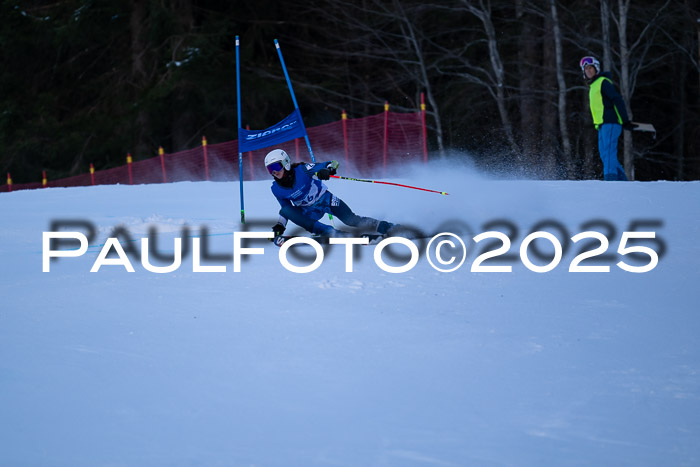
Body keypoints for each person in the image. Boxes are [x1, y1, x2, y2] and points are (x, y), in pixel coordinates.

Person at [264, 149, 395, 245]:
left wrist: (328, 170)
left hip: (325, 200)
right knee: (285, 210)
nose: (274, 172)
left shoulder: (302, 169)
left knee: (351, 220)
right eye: (270, 169)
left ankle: (386, 227)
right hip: (308, 212)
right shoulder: (276, 189)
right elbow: (286, 209)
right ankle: (327, 231)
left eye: (276, 166)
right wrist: (279, 226)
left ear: (286, 162)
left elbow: (332, 163)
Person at [580, 56, 637, 181]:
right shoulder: (594, 85)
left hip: (610, 122)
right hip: (602, 124)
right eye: (586, 69)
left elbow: (617, 100)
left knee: (609, 152)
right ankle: (622, 181)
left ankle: (611, 181)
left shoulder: (603, 82)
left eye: (590, 68)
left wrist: (625, 120)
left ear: (596, 69)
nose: (588, 71)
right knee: (605, 154)